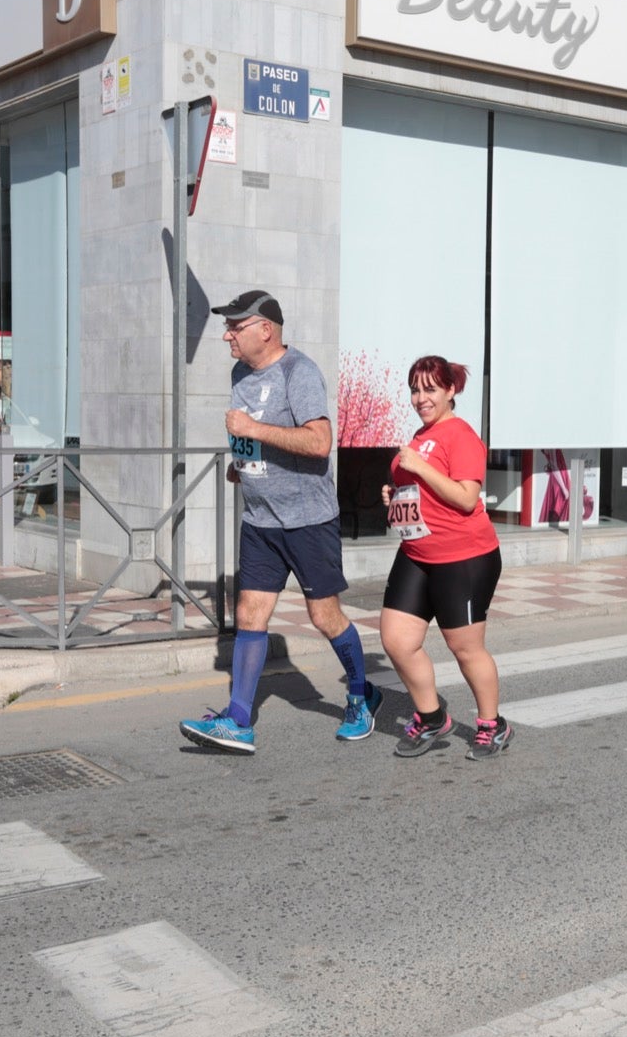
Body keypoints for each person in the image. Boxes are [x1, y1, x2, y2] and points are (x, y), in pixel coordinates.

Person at [179, 290, 381, 753]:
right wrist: (243, 461)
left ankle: (360, 694)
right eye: (227, 327)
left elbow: (319, 442)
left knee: (324, 616)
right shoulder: (240, 374)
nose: (227, 335)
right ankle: (238, 722)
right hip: (261, 520)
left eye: (236, 326)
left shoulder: (300, 373)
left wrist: (252, 432)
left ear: (265, 329)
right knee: (250, 614)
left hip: (307, 520)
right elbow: (257, 441)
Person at [377, 356, 511, 759]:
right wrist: (395, 494)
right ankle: (432, 717)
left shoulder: (461, 436)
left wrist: (418, 468)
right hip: (417, 553)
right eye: (415, 390)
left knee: (465, 647)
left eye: (430, 389)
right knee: (397, 640)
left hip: (464, 557)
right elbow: (419, 492)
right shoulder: (420, 437)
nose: (421, 398)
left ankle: (492, 724)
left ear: (451, 391)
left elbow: (467, 498)